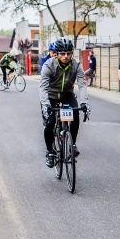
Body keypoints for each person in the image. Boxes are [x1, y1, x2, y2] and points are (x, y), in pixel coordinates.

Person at [39, 38, 89, 167]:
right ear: (57, 53)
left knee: (75, 113)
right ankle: (50, 152)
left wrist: (84, 102)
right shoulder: (48, 65)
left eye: (68, 53)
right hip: (50, 97)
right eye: (62, 53)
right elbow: (43, 88)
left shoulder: (76, 64)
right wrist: (45, 105)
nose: (66, 56)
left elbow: (82, 85)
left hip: (67, 95)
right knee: (50, 123)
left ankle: (72, 144)